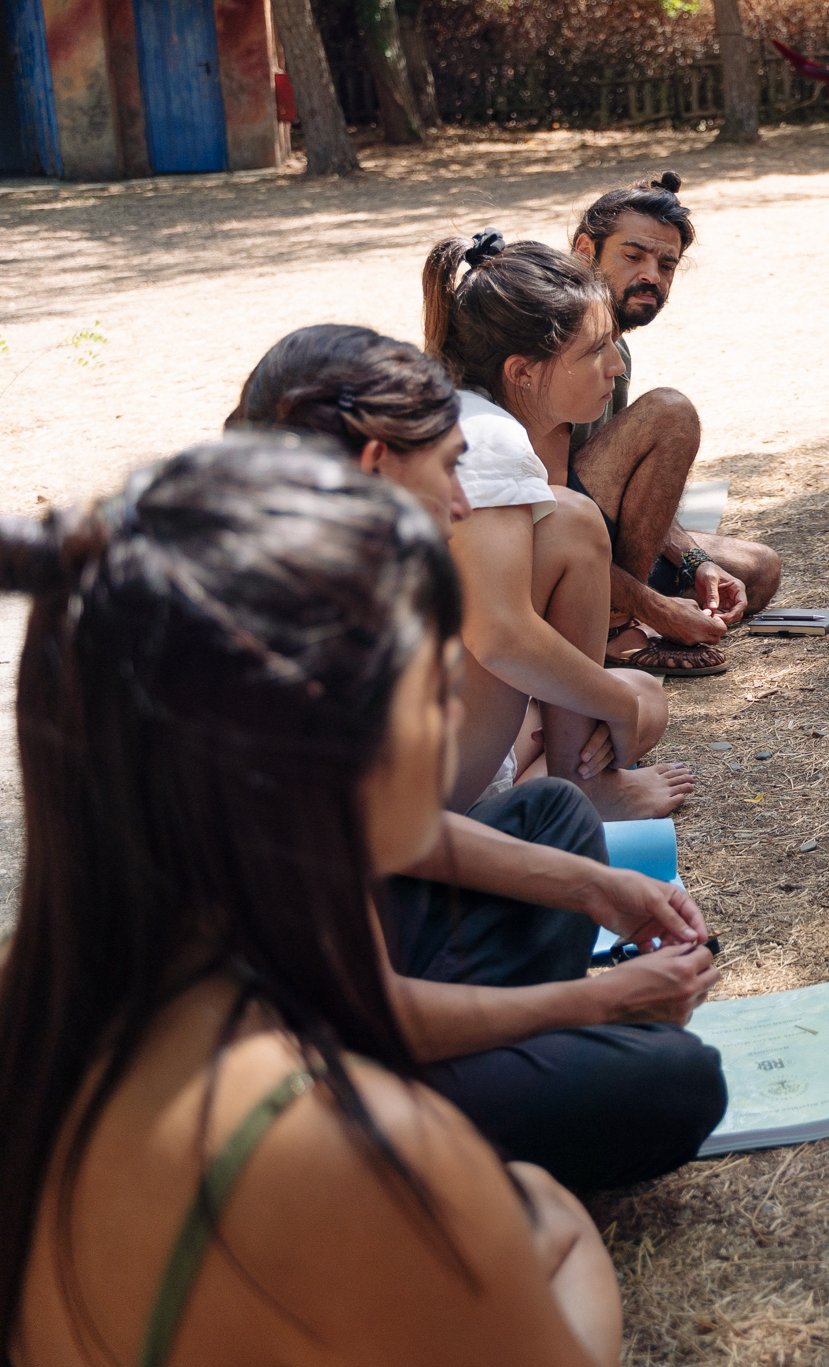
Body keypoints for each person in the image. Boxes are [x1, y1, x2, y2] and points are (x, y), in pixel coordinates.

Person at [1, 442, 627, 1365]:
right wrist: (563, 1240)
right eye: (436, 685)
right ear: (326, 748)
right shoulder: (363, 1152)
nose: (458, 716)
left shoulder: (39, 1002)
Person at [229, 326, 728, 1191]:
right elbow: (364, 1006)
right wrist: (601, 999)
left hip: (357, 979)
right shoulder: (281, 656)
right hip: (299, 1064)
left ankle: (496, 1043)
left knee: (555, 816)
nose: (463, 505)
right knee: (678, 1080)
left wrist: (598, 888)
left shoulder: (339, 596)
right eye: (451, 470)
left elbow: (390, 829)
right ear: (379, 465)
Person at [423, 231, 695, 820]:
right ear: (522, 371)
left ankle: (559, 781)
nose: (616, 365)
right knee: (573, 522)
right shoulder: (487, 438)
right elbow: (499, 635)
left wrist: (608, 700)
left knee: (644, 695)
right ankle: (574, 788)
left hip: (434, 726)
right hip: (416, 779)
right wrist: (612, 706)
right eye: (596, 350)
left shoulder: (466, 411)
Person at [561, 174, 782, 678]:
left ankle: (624, 602)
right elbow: (545, 523)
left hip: (592, 534)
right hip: (538, 549)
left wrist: (696, 563)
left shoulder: (613, 346)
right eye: (632, 256)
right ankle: (612, 627)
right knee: (670, 412)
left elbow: (629, 489)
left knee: (757, 570)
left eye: (667, 265)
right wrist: (652, 606)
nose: (652, 277)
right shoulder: (552, 341)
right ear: (585, 251)